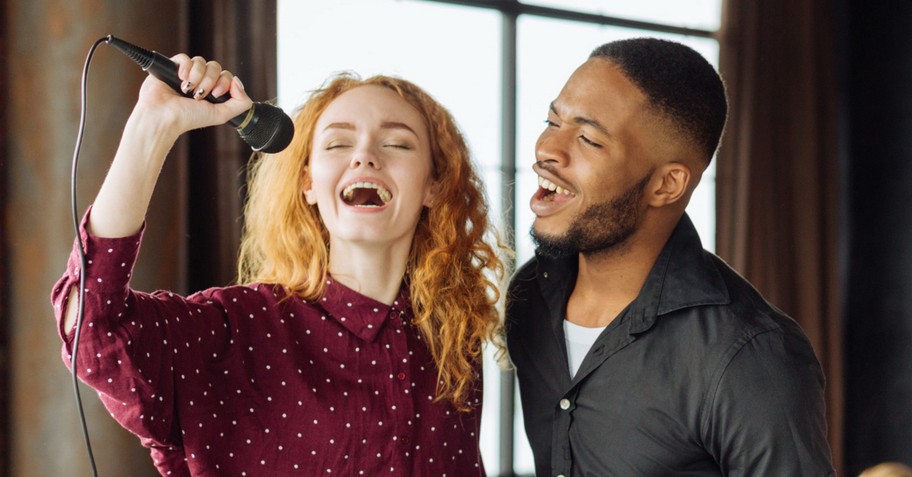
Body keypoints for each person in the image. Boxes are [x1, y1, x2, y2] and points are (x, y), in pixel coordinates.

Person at [51, 53, 504, 476]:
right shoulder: (232, 330)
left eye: (398, 144)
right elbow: (91, 326)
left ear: (433, 187)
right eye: (338, 143)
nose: (366, 156)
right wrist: (151, 126)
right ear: (308, 183)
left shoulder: (452, 342)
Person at [505, 37, 835, 476]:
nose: (547, 149)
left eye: (587, 138)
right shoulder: (530, 294)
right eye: (552, 120)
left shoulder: (750, 357)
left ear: (666, 185)